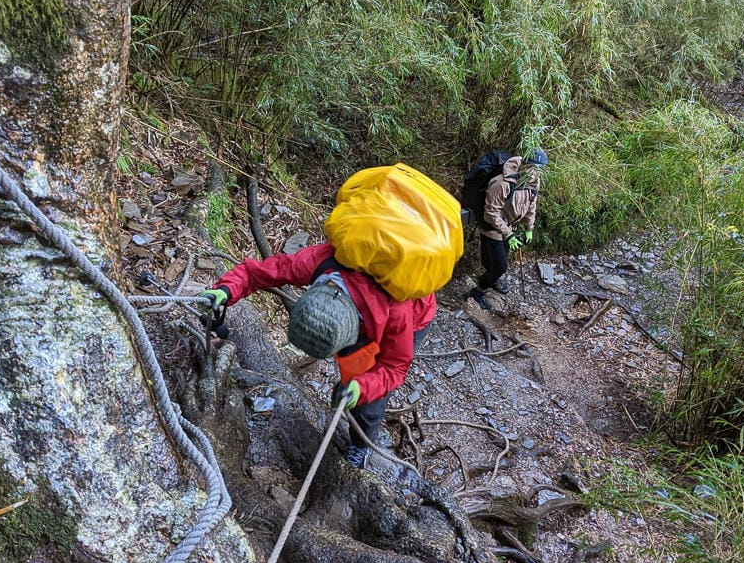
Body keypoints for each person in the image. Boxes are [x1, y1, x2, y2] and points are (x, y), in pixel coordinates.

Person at [199, 242, 435, 467]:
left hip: (414, 318)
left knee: (368, 402)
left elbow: (394, 366)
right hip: (367, 317)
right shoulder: (322, 262)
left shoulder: (398, 310)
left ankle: (361, 446)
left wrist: (361, 388)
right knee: (357, 380)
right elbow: (257, 273)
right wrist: (226, 290)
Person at [470, 148, 548, 306]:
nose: (537, 173)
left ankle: (492, 280)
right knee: (500, 266)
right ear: (525, 165)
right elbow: (490, 214)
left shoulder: (533, 181)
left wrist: (529, 228)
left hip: (508, 226)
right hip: (492, 228)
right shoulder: (502, 183)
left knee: (498, 261)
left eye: (540, 169)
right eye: (535, 168)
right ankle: (478, 291)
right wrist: (509, 234)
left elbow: (531, 204)